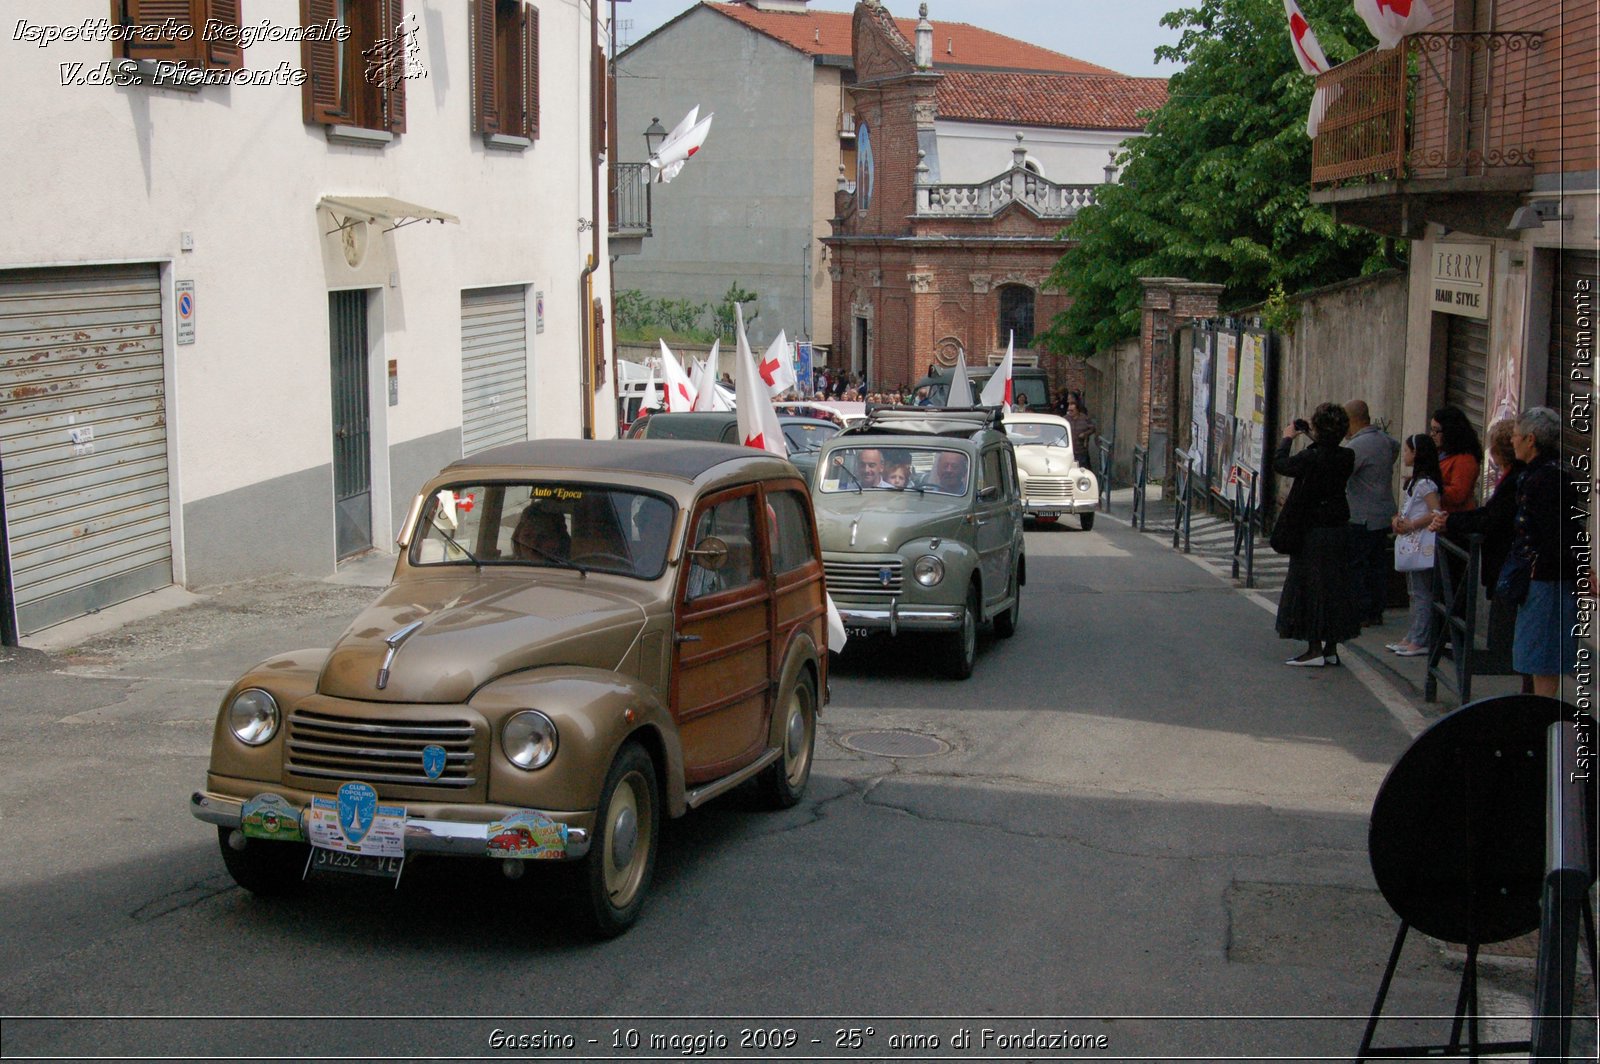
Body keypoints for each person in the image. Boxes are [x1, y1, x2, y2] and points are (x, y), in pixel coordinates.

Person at [1430, 419, 1526, 669]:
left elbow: (1491, 516)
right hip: (1503, 560)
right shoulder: (1511, 477)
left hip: (1508, 562)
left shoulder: (1515, 479)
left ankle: (1511, 669)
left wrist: (1450, 521)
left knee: (1510, 629)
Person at [1273, 402, 1361, 666]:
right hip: (1339, 529)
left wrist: (1288, 437)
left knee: (1309, 587)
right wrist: (1313, 434)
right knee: (1335, 587)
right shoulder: (1347, 457)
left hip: (1312, 531)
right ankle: (1331, 648)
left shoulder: (1310, 459)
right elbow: (1328, 450)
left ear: (1319, 429)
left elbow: (1281, 464)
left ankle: (1313, 649)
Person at [1505, 407, 1582, 697]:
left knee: (1543, 658)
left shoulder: (1548, 480)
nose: (1512, 441)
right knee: (1534, 656)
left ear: (1531, 439)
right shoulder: (1539, 475)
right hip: (1541, 579)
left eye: (1515, 436)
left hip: (1548, 581)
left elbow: (1558, 535)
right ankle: (1536, 717)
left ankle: (1542, 722)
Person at [1343, 400, 1400, 627]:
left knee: (1359, 565)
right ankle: (1376, 610)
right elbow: (1396, 448)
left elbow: (1343, 470)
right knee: (1378, 564)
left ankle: (1363, 611)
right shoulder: (1384, 439)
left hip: (1362, 514)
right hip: (1384, 510)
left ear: (1352, 420)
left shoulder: (1357, 446)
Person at [1386, 433, 1443, 657]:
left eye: (1409, 451)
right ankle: (1413, 635)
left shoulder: (1426, 484)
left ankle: (1421, 638)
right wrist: (1397, 521)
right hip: (1411, 540)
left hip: (1421, 540)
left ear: (1417, 454)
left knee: (1422, 593)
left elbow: (1436, 511)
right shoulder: (1416, 483)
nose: (1406, 455)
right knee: (1415, 592)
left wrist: (1412, 524)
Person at [1431, 405, 1483, 512]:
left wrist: (1429, 486)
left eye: (1436, 430)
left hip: (1454, 520)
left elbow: (1458, 494)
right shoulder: (1441, 452)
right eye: (1432, 429)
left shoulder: (1465, 460)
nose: (1432, 434)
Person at [1064, 394, 1097, 464]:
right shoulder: (1065, 419)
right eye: (1069, 410)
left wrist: (1085, 434)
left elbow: (1093, 428)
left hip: (1081, 452)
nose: (1070, 412)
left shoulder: (1084, 418)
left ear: (1077, 409)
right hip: (1069, 452)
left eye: (1072, 411)